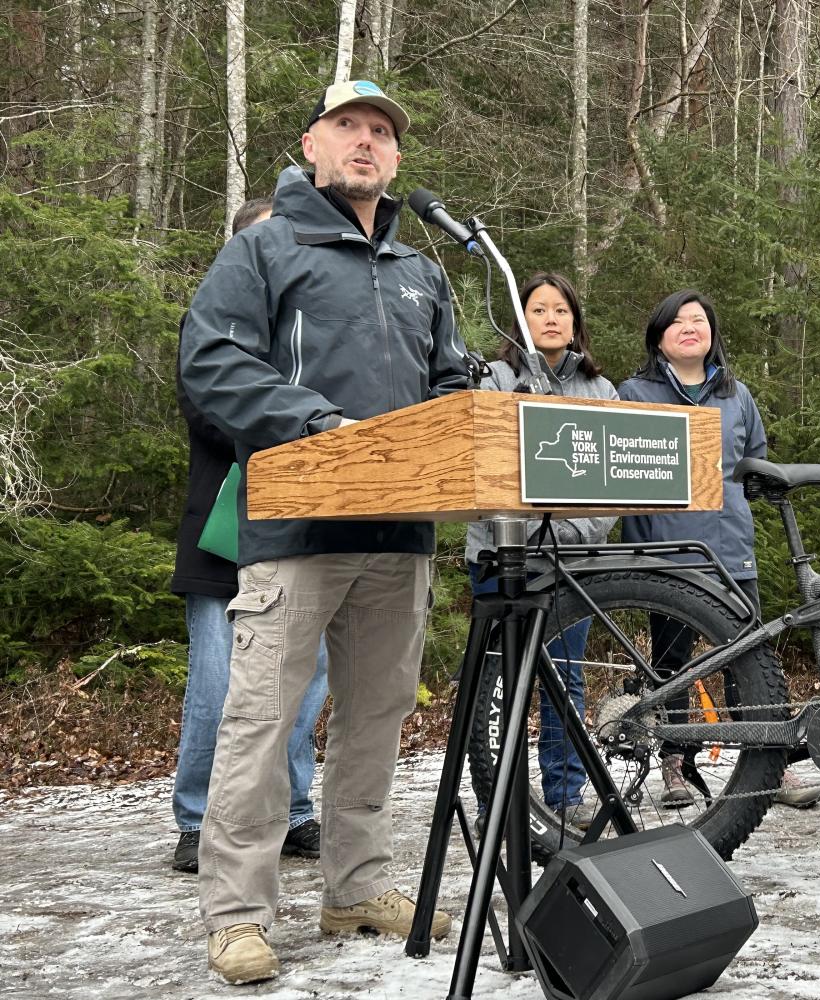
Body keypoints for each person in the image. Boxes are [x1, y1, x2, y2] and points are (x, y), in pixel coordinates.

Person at [179, 81, 468, 984]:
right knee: (263, 726)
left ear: (397, 158)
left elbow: (452, 379)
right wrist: (316, 425)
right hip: (297, 531)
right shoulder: (266, 248)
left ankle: (355, 888)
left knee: (376, 724)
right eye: (349, 126)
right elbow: (211, 361)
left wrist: (460, 425)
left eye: (382, 132)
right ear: (312, 144)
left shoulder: (424, 272)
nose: (367, 142)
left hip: (401, 538)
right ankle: (236, 913)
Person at [169, 198, 329, 874]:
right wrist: (290, 424)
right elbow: (208, 416)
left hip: (303, 528)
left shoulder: (308, 329)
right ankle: (197, 819)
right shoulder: (208, 323)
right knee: (217, 682)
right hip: (225, 529)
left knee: (305, 678)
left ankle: (292, 813)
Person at [617, 289, 820, 809]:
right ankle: (674, 766)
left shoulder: (738, 395)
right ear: (659, 336)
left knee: (750, 662)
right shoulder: (634, 393)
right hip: (663, 549)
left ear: (713, 334)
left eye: (701, 320)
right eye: (679, 321)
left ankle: (768, 767)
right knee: (671, 667)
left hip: (731, 547)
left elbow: (754, 463)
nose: (692, 327)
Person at [466, 273, 617, 826]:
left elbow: (617, 480)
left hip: (571, 562)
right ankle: (496, 802)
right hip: (499, 557)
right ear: (520, 319)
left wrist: (571, 534)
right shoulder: (494, 378)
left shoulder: (602, 391)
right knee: (499, 681)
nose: (550, 319)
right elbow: (478, 466)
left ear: (575, 322)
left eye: (561, 310)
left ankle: (564, 795)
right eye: (538, 309)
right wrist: (524, 535)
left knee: (565, 679)